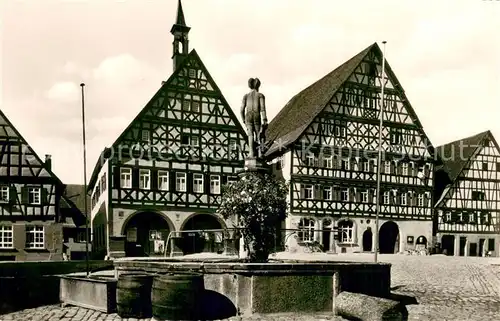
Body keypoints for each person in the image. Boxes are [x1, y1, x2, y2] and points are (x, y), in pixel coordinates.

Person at [241, 78, 268, 158]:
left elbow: (241, 110)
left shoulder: (246, 96)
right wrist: (265, 119)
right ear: (258, 85)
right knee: (258, 134)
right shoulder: (260, 95)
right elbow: (262, 108)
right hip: (256, 114)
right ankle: (260, 154)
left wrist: (243, 120)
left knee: (250, 135)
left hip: (248, 116)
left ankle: (251, 153)